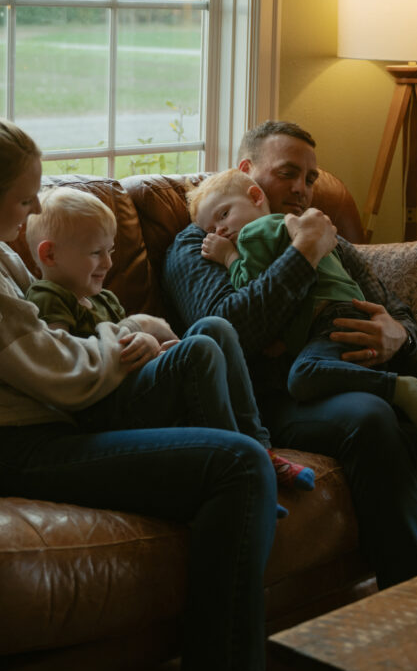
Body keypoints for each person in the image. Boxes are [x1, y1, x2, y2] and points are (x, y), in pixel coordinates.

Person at [0, 112, 274, 671]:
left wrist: (129, 335)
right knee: (237, 467)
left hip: (54, 423)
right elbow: (60, 373)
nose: (32, 211)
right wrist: (121, 340)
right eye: (23, 199)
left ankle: (250, 487)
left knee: (205, 346)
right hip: (24, 450)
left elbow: (49, 339)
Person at [163, 119, 417, 589]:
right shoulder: (204, 240)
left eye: (310, 178)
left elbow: (393, 304)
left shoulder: (323, 232)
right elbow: (227, 329)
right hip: (291, 391)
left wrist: (398, 333)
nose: (301, 189)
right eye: (287, 173)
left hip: (368, 360)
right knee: (370, 416)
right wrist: (304, 252)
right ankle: (413, 594)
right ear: (248, 174)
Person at [186, 167, 417, 511]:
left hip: (333, 323)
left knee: (304, 375)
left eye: (224, 215)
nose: (219, 230)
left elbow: (250, 286)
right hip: (337, 323)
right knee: (364, 407)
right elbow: (282, 301)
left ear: (256, 197)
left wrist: (228, 256)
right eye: (210, 229)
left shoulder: (255, 233)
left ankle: (397, 387)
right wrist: (287, 341)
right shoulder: (293, 229)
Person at [23, 184, 315, 495]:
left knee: (215, 327)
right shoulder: (47, 296)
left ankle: (260, 447)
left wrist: (158, 355)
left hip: (130, 390)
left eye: (110, 251)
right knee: (198, 349)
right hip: (101, 411)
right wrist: (136, 344)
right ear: (49, 254)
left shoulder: (104, 299)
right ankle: (240, 466)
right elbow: (64, 359)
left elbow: (129, 352)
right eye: (96, 253)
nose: (108, 263)